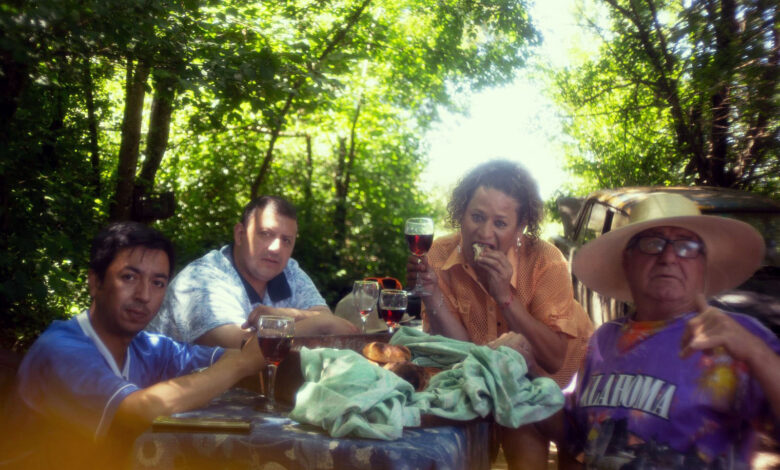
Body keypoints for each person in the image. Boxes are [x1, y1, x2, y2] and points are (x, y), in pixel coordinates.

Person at [1, 222, 266, 469]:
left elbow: (227, 358)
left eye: (158, 283)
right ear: (95, 282)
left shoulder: (148, 347)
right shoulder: (60, 350)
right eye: (129, 277)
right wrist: (240, 364)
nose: (144, 295)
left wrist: (275, 333)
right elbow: (141, 409)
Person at [543, 192, 780, 468]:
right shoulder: (604, 340)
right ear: (627, 261)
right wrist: (523, 389)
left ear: (703, 265)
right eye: (652, 243)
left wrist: (757, 354)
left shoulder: (740, 336)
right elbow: (576, 436)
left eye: (686, 245)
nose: (668, 257)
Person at [407, 159, 594, 470]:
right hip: (498, 381)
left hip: (561, 385)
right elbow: (462, 353)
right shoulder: (438, 254)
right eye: (477, 217)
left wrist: (505, 297)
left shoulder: (547, 260)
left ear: (520, 228)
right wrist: (431, 293)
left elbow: (553, 359)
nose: (484, 233)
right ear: (461, 214)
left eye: (500, 223)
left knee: (563, 457)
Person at [147, 195, 358, 348]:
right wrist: (319, 324)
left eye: (286, 240)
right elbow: (242, 346)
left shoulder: (289, 271)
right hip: (165, 393)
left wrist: (283, 316)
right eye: (266, 234)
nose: (276, 248)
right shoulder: (202, 279)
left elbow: (330, 323)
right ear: (240, 234)